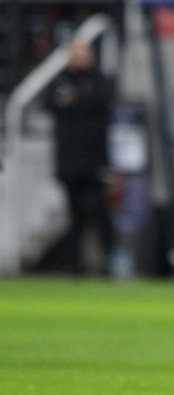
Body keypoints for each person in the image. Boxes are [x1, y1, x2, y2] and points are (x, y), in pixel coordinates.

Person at [43, 39, 115, 274]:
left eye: (82, 54)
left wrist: (74, 100)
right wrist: (78, 101)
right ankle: (76, 267)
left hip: (95, 161)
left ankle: (110, 264)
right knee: (74, 218)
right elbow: (50, 102)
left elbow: (100, 101)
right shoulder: (60, 80)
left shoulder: (100, 80)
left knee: (100, 214)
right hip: (69, 163)